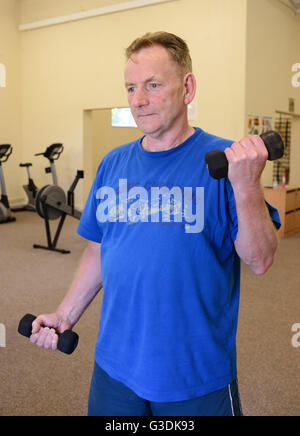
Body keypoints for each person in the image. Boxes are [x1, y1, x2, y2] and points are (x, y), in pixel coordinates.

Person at [29, 32, 281, 416]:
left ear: (188, 87)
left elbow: (260, 259)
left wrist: (245, 185)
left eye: (153, 85)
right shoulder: (113, 163)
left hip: (195, 374)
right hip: (114, 369)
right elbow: (100, 248)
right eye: (131, 88)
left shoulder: (226, 163)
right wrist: (66, 314)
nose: (138, 100)